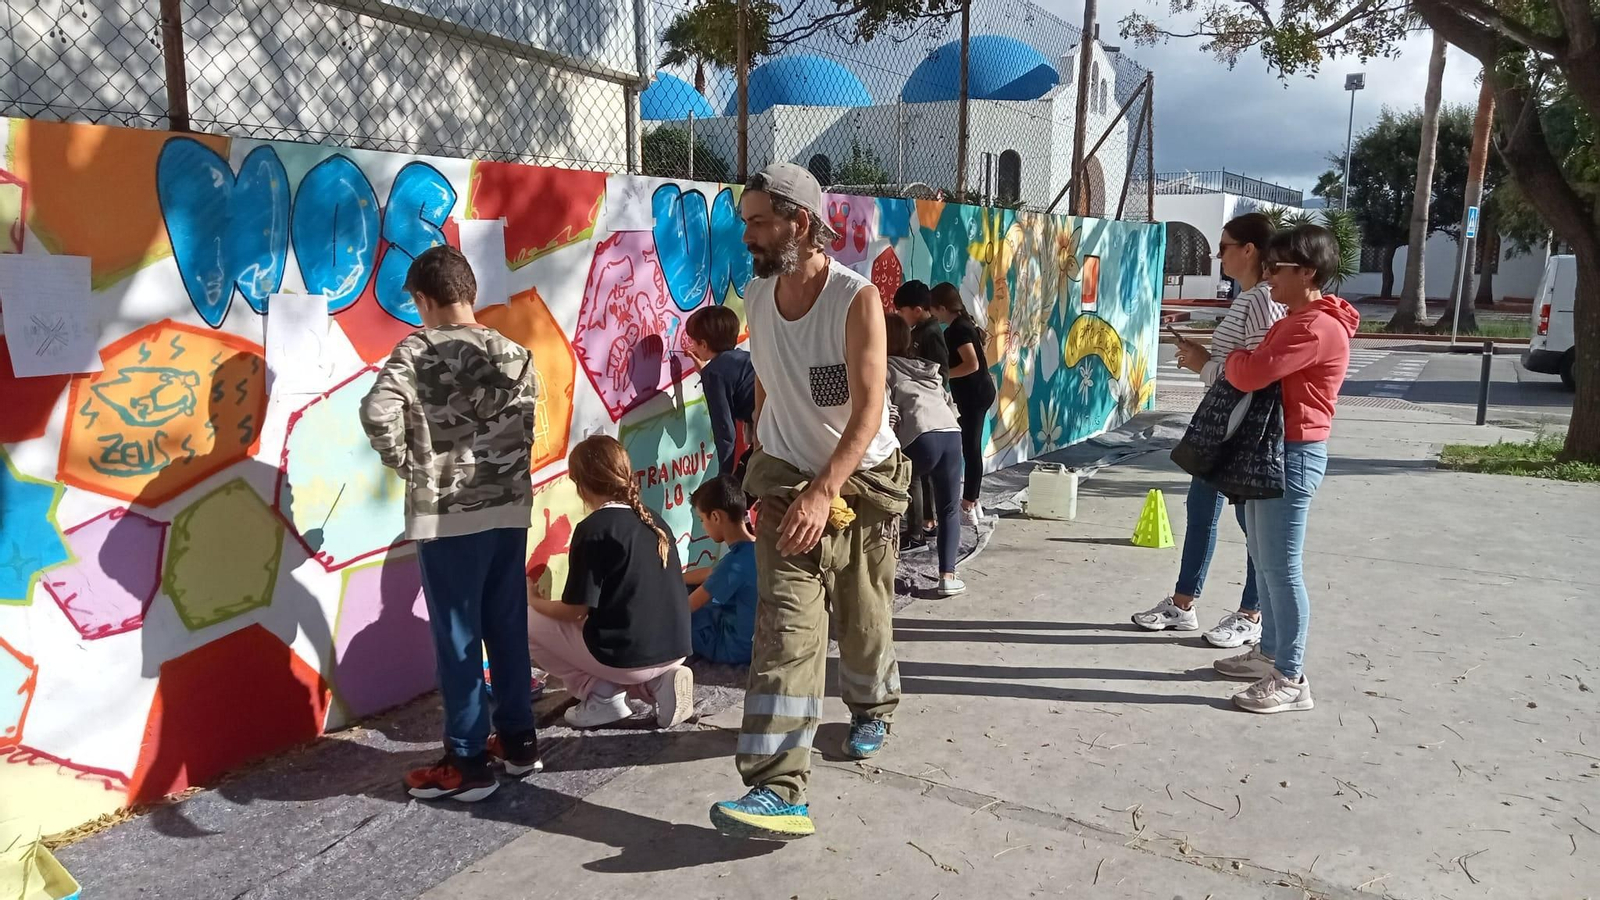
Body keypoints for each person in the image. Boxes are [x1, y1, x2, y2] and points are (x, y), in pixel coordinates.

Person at [710, 162, 910, 841]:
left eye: (759, 221)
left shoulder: (854, 300)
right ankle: (777, 790)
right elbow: (769, 386)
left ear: (800, 221)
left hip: (862, 483)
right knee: (785, 635)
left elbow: (869, 409)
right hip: (788, 480)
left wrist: (826, 491)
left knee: (862, 618)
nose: (748, 234)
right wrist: (764, 468)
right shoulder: (758, 298)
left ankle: (871, 705)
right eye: (746, 221)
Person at [359, 245, 539, 802]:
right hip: (509, 511)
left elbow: (375, 411)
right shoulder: (515, 352)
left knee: (458, 637)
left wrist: (408, 463)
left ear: (422, 299)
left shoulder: (415, 352)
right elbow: (530, 423)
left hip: (447, 520)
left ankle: (466, 760)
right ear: (470, 293)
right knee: (506, 627)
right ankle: (518, 742)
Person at [1213, 225, 1359, 714]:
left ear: (1309, 273)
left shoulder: (1313, 326)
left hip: (1292, 453)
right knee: (1265, 558)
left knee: (1281, 567)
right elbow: (1257, 364)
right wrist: (1247, 357)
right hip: (1276, 450)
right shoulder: (1300, 317)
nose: (1268, 277)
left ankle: (1291, 677)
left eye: (1279, 269)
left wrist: (1234, 355)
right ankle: (1271, 654)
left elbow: (1251, 371)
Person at [1132, 213, 1283, 648]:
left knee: (1248, 519)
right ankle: (1183, 604)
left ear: (1249, 250)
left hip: (1240, 425)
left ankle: (1251, 612)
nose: (1219, 255)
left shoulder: (1259, 301)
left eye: (1225, 246)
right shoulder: (1252, 299)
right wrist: (1206, 359)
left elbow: (1257, 373)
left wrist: (1204, 365)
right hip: (1225, 422)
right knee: (1202, 509)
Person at [526, 434, 695, 729]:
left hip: (630, 658)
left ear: (580, 484)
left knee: (524, 620)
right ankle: (658, 684)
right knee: (599, 629)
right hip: (677, 648)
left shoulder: (593, 528)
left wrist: (534, 600)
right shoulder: (654, 519)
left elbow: (575, 611)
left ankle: (602, 696)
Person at [885, 314, 965, 596]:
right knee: (949, 509)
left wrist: (889, 441)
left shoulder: (883, 368)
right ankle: (948, 577)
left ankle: (885, 568)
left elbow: (887, 411)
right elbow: (948, 402)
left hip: (919, 436)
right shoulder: (926, 368)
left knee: (888, 501)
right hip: (952, 434)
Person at [930, 282, 996, 525]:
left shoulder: (958, 330)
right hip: (977, 393)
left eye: (934, 310)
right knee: (970, 446)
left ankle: (968, 504)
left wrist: (944, 375)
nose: (933, 316)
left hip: (974, 395)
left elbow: (971, 364)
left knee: (970, 448)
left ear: (942, 308)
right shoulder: (962, 325)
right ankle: (973, 501)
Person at [892, 280, 949, 539]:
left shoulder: (931, 334)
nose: (901, 318)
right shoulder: (919, 331)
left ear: (916, 309)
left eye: (901, 311)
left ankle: (918, 530)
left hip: (928, 415)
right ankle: (925, 520)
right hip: (920, 415)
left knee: (915, 475)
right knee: (920, 477)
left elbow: (940, 373)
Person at [682, 476, 759, 665]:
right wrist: (675, 577)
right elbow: (712, 573)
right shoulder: (754, 548)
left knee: (671, 612)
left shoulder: (734, 563)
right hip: (756, 641)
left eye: (702, 519)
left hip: (732, 647)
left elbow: (685, 608)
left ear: (715, 517)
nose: (702, 526)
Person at [685, 305, 756, 484]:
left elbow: (725, 432)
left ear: (703, 344)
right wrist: (707, 373)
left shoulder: (714, 373)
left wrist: (723, 477)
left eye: (693, 342)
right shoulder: (744, 357)